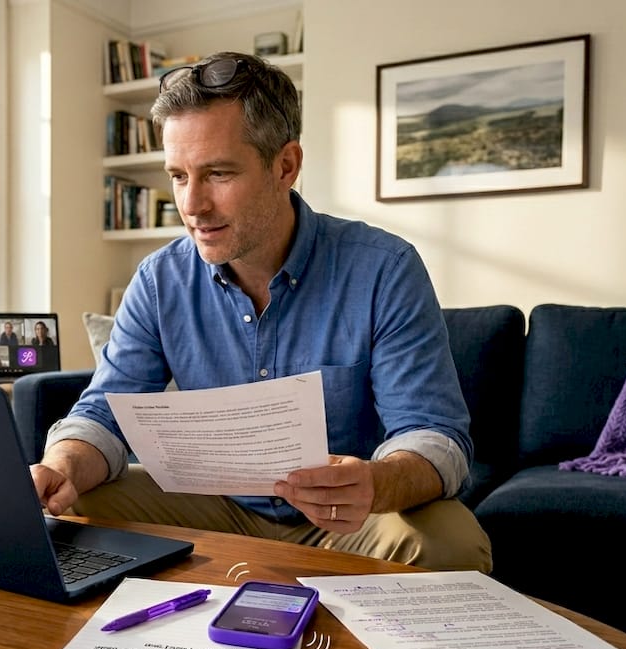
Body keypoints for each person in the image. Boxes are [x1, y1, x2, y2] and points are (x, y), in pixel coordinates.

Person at [30, 51, 491, 573]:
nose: (193, 205)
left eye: (218, 173)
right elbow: (102, 416)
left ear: (285, 166)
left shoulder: (385, 268)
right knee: (75, 505)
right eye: (178, 176)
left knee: (452, 543)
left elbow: (435, 436)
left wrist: (377, 483)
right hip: (212, 504)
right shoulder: (159, 280)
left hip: (348, 519)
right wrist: (60, 465)